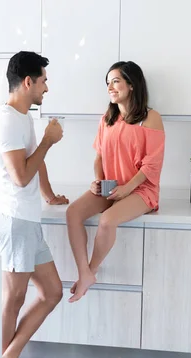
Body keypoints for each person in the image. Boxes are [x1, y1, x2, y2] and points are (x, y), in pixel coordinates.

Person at [0, 51, 69, 358]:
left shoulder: (24, 118)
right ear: (28, 82)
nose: (47, 88)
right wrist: (50, 141)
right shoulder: (7, 121)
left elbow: (35, 161)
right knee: (13, 300)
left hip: (28, 222)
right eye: (44, 81)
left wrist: (49, 195)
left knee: (52, 292)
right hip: (14, 222)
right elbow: (21, 176)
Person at [65, 61, 165, 303]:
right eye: (107, 82)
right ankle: (83, 272)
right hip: (110, 186)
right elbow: (99, 156)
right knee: (73, 212)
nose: (110, 87)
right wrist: (98, 181)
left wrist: (127, 189)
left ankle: (92, 269)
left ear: (131, 85)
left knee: (108, 221)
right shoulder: (108, 118)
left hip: (140, 189)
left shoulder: (150, 118)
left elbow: (151, 165)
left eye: (116, 81)